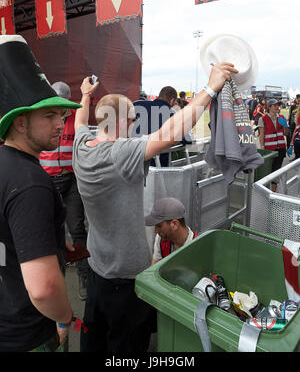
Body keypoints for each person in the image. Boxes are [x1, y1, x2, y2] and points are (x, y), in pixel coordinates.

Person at [72, 61, 237, 352]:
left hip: (97, 270)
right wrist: (211, 88)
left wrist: (85, 95)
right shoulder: (119, 154)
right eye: (134, 120)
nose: (136, 126)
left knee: (93, 340)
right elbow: (170, 131)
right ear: (121, 121)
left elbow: (79, 121)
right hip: (125, 280)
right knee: (126, 348)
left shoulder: (81, 144)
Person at [0, 35, 81, 352]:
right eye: (48, 116)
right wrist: (64, 318)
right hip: (28, 337)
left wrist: (49, 237)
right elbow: (44, 288)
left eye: (61, 115)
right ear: (20, 122)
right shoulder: (31, 182)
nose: (60, 123)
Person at [39, 81, 89, 301]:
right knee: (46, 230)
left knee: (77, 229)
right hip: (47, 181)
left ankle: (84, 276)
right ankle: (49, 277)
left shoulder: (74, 119)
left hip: (71, 180)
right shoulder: (41, 119)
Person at [132, 86, 191, 166]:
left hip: (134, 158)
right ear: (172, 100)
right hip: (157, 162)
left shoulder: (138, 104)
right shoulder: (172, 114)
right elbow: (186, 139)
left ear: (159, 96)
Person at [145, 197, 198, 265]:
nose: (155, 231)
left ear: (174, 224)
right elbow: (153, 267)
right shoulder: (161, 238)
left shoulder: (197, 248)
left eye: (159, 226)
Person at [258, 98, 289, 191]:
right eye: (275, 105)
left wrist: (285, 126)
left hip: (281, 149)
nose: (277, 107)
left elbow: (286, 133)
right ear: (269, 107)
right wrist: (262, 148)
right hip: (269, 150)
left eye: (278, 105)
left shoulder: (282, 118)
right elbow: (261, 135)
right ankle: (265, 191)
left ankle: (273, 192)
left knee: (276, 171)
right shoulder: (262, 118)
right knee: (268, 171)